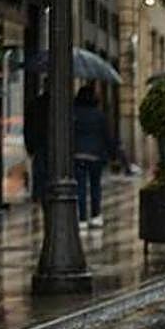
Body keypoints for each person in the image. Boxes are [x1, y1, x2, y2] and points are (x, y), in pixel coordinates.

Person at [72, 83, 117, 229]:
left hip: (78, 155)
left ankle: (82, 218)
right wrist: (112, 154)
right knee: (95, 186)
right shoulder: (100, 115)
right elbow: (107, 136)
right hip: (95, 156)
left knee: (80, 186)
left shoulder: (74, 113)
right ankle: (96, 215)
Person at [25, 88, 49, 202]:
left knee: (39, 170)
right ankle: (44, 193)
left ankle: (38, 193)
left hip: (38, 143)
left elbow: (28, 126)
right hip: (49, 143)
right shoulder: (58, 105)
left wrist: (29, 145)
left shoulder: (35, 104)